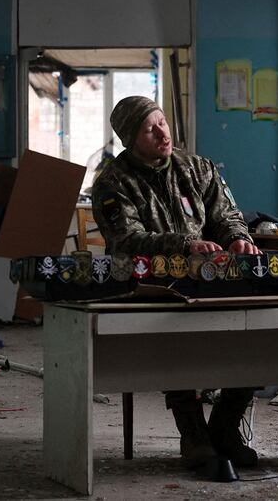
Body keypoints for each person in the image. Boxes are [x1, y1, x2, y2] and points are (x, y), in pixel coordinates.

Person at [91, 95, 262, 469]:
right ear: (129, 139)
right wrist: (184, 245)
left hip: (208, 278)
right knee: (173, 338)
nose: (161, 133)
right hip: (152, 285)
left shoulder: (198, 168)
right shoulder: (112, 183)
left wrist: (238, 238)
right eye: (148, 129)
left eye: (162, 122)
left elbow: (227, 215)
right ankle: (193, 435)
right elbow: (126, 241)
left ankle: (225, 427)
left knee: (255, 329)